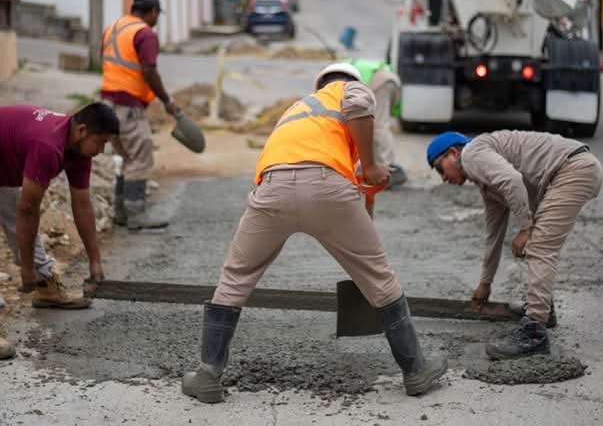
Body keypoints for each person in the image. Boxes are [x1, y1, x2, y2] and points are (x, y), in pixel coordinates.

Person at [181, 63, 449, 404]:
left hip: (272, 190)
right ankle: (416, 371)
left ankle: (207, 376)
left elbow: (347, 176)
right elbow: (359, 109)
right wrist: (371, 167)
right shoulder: (349, 90)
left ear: (317, 83)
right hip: (325, 188)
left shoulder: (300, 111)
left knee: (235, 277)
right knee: (380, 279)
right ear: (347, 80)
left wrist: (363, 192)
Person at [0, 102, 119, 360]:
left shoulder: (79, 150)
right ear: (83, 131)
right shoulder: (48, 145)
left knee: (15, 217)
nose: (101, 150)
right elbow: (28, 211)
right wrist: (26, 269)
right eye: (101, 142)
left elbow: (83, 205)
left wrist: (95, 261)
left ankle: (46, 286)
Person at [426, 129, 603, 359]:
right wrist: (485, 283)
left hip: (572, 170)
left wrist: (525, 227)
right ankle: (541, 309)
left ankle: (534, 334)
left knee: (540, 247)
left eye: (440, 168)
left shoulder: (471, 154)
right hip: (571, 170)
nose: (443, 178)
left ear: (452, 152)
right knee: (536, 244)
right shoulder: (486, 180)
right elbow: (494, 235)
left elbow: (512, 180)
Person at [100, 0, 180, 230]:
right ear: (153, 12)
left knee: (126, 157)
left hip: (106, 105)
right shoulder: (144, 34)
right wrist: (166, 100)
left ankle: (121, 213)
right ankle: (136, 215)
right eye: (157, 15)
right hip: (129, 106)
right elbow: (149, 70)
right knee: (140, 158)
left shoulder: (113, 28)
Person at [348, 58, 406, 188]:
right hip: (390, 80)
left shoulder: (335, 79)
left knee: (377, 126)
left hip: (380, 82)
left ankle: (387, 168)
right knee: (374, 126)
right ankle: (381, 166)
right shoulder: (343, 68)